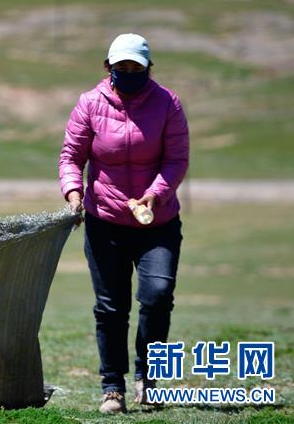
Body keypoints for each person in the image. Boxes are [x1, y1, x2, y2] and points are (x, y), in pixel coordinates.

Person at [58, 33, 189, 414]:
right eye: (122, 68)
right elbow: (71, 156)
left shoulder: (168, 103)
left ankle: (149, 379)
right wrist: (73, 193)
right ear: (108, 67)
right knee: (111, 308)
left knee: (158, 296)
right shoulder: (90, 104)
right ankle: (112, 387)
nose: (129, 74)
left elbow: (176, 159)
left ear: (149, 68)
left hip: (158, 221)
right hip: (106, 221)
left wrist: (156, 193)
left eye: (136, 68)